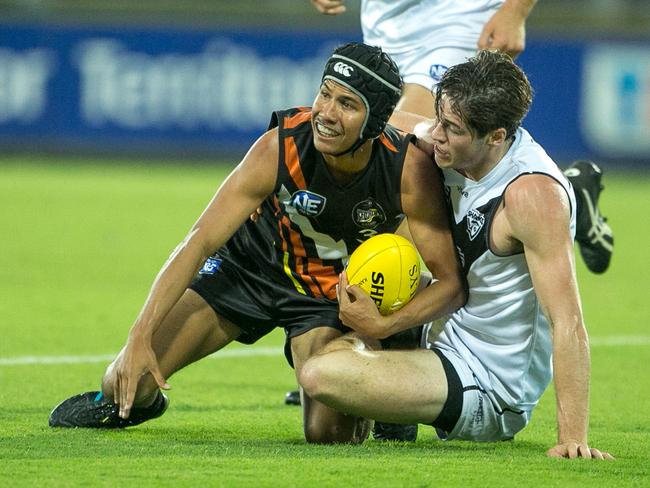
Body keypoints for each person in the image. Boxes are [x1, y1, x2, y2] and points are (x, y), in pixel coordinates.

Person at [48, 42, 466, 444]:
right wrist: (140, 333)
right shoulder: (279, 146)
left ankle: (391, 365)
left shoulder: (407, 169)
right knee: (126, 384)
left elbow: (451, 283)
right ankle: (145, 395)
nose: (326, 113)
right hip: (247, 270)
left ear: (375, 122)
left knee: (329, 435)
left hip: (325, 295)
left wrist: (389, 324)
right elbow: (199, 241)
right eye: (325, 94)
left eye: (347, 104)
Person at [298, 50, 614, 459]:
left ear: (496, 137)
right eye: (439, 119)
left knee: (321, 375)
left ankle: (396, 372)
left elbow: (567, 321)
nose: (437, 135)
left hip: (486, 379)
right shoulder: (448, 145)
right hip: (439, 335)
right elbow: (383, 123)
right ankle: (398, 375)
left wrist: (573, 437)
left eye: (453, 129)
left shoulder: (531, 198)